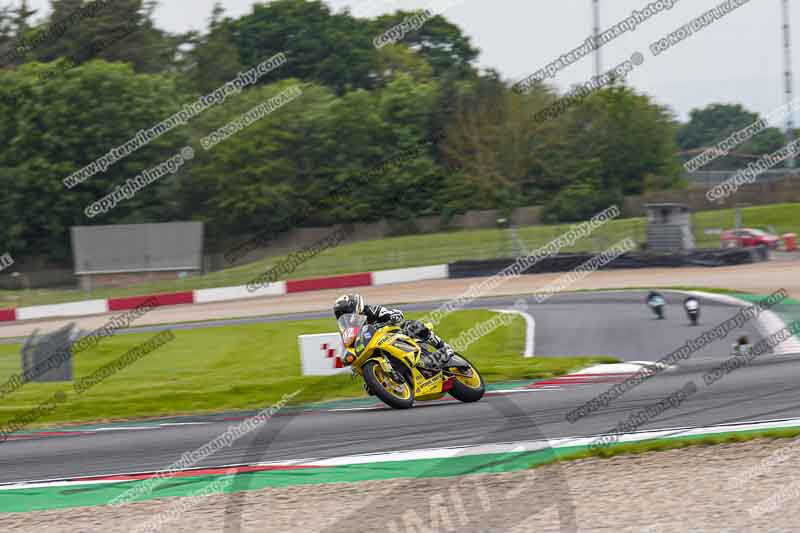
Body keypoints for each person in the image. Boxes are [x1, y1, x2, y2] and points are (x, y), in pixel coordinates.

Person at [333, 293, 454, 366]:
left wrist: (392, 317)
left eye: (346, 311)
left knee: (413, 326)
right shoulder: (348, 330)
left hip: (394, 334)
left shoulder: (371, 310)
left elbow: (397, 315)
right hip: (375, 347)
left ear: (355, 306)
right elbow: (350, 348)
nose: (344, 315)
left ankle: (443, 347)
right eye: (341, 314)